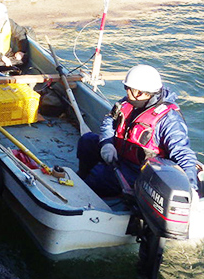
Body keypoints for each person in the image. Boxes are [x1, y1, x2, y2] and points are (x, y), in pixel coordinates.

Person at [77, 64, 200, 199]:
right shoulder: (127, 103)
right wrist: (107, 143)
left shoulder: (169, 120)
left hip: (139, 171)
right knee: (87, 141)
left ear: (141, 92)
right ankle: (83, 176)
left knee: (99, 178)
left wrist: (190, 187)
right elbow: (109, 121)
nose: (126, 92)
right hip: (119, 153)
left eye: (129, 89)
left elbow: (182, 153)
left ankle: (92, 191)